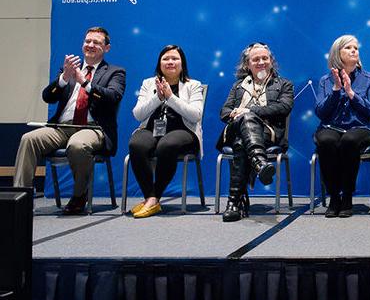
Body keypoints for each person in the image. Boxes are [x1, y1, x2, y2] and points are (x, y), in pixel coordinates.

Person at [13, 26, 126, 215]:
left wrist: (86, 83)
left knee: (77, 145)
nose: (90, 45)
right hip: (61, 127)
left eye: (96, 42)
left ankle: (79, 195)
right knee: (29, 139)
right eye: (87, 41)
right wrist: (64, 78)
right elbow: (48, 97)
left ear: (107, 48)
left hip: (93, 128)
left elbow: (113, 96)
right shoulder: (69, 69)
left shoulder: (115, 72)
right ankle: (20, 197)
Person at [218, 43, 294, 222]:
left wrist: (250, 111)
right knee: (245, 121)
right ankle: (260, 163)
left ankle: (234, 203)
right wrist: (235, 113)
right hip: (236, 129)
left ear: (271, 61)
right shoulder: (238, 86)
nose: (261, 62)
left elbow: (284, 107)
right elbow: (224, 112)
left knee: (240, 143)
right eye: (256, 59)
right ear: (248, 64)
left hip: (268, 133)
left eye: (265, 58)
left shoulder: (284, 84)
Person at [127, 45, 204, 218]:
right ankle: (150, 197)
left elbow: (196, 115)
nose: (170, 62)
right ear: (159, 63)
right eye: (166, 59)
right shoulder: (148, 83)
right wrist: (158, 98)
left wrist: (170, 97)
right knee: (136, 144)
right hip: (151, 129)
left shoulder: (193, 85)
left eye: (175, 58)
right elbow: (138, 114)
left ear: (182, 63)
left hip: (183, 131)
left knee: (166, 145)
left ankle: (154, 197)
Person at [314, 35, 370, 218]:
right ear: (337, 53)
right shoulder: (326, 80)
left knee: (349, 141)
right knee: (326, 141)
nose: (353, 51)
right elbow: (321, 112)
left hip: (361, 128)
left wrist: (351, 93)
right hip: (332, 127)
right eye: (348, 48)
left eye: (355, 48)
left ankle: (347, 196)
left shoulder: (369, 79)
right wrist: (336, 90)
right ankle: (334, 196)